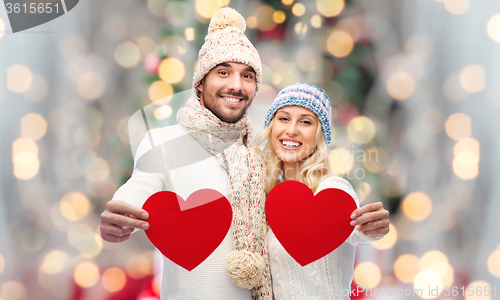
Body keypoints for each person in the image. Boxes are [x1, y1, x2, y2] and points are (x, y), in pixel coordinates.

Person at [99, 7, 272, 300]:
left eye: (247, 75)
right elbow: (138, 189)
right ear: (201, 82)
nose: (236, 85)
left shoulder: (261, 154)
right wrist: (118, 214)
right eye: (223, 72)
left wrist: (363, 229)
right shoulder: (164, 143)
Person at [254, 83, 390, 299]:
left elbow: (356, 231)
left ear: (319, 135)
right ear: (272, 127)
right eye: (284, 118)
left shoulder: (332, 188)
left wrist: (374, 227)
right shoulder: (267, 197)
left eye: (305, 121)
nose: (291, 130)